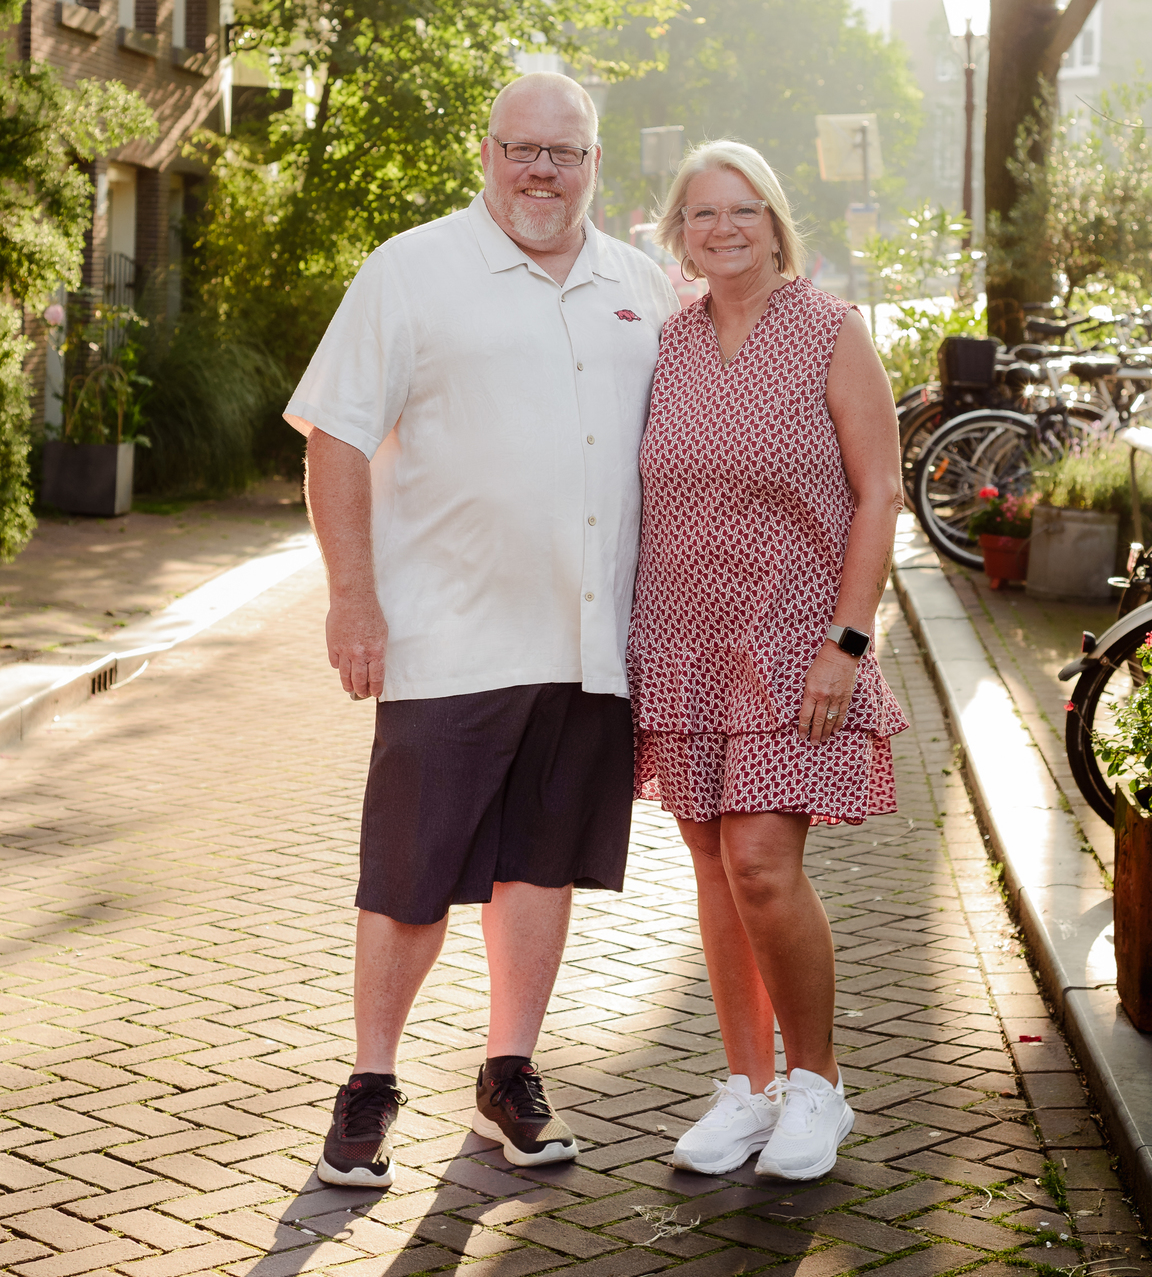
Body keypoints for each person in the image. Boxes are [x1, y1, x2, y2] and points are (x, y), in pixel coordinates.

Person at [285, 73, 678, 1189]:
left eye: (565, 152)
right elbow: (336, 439)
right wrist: (351, 596)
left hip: (588, 645)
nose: (542, 171)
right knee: (409, 878)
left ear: (596, 161)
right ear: (489, 152)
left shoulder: (640, 285)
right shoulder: (411, 270)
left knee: (541, 868)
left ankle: (510, 1069)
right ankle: (369, 1082)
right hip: (447, 640)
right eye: (523, 149)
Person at [626, 139, 907, 1182]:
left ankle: (817, 1086)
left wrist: (848, 639)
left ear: (776, 221)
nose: (722, 228)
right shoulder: (668, 341)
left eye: (741, 209)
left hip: (796, 641)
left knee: (763, 867)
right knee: (713, 870)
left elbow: (879, 492)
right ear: (679, 234)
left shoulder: (830, 330)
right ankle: (746, 1088)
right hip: (683, 640)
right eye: (701, 214)